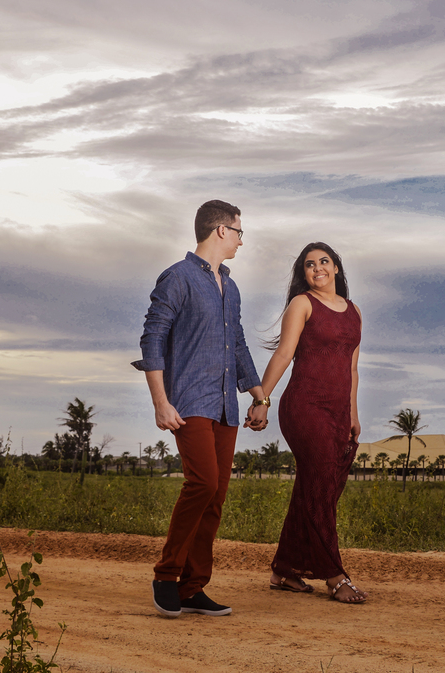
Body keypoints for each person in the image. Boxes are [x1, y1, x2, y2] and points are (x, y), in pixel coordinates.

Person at [132, 199, 270, 618]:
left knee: (216, 498)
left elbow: (239, 344)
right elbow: (152, 338)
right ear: (221, 231)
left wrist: (259, 396)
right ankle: (166, 575)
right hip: (189, 400)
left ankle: (193, 587)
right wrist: (160, 401)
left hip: (226, 404)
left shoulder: (231, 285)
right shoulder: (178, 277)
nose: (242, 241)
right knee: (202, 484)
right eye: (240, 232)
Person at [260, 241, 368, 603]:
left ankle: (284, 569)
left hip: (338, 412)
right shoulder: (302, 304)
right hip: (304, 407)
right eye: (309, 264)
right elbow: (285, 354)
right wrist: (261, 399)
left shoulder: (354, 312)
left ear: (336, 267)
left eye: (324, 261)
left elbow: (351, 368)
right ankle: (334, 575)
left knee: (318, 487)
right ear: (303, 273)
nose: (317, 268)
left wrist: (352, 413)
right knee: (320, 487)